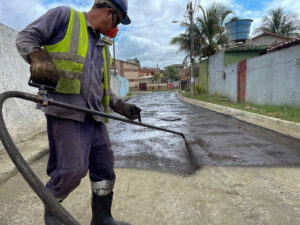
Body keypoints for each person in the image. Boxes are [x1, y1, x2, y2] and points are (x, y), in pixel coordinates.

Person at [16, 0, 140, 224]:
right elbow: (25, 37)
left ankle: (103, 218)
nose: (116, 29)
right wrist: (37, 55)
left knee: (104, 170)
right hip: (67, 113)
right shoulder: (65, 17)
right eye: (118, 21)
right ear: (109, 12)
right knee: (71, 171)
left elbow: (103, 87)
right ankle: (54, 216)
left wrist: (121, 106)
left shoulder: (102, 48)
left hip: (95, 118)